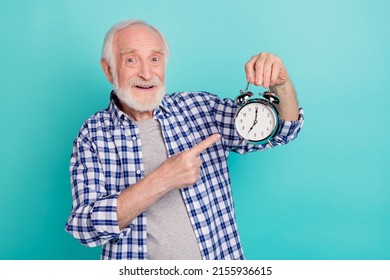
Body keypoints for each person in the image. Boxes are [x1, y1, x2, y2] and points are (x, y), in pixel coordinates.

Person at [65, 19, 304, 260]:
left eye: (155, 59)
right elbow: (85, 228)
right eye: (131, 60)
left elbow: (284, 130)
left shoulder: (200, 109)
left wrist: (281, 86)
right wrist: (161, 180)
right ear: (108, 70)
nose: (146, 74)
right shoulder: (93, 135)